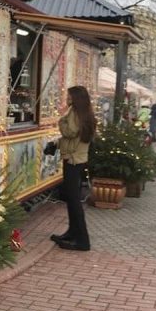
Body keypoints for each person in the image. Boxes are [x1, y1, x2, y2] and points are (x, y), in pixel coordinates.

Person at [51, 85, 96, 251]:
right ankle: (72, 232)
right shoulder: (82, 113)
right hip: (76, 158)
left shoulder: (75, 114)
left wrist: (60, 120)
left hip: (73, 160)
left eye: (69, 95)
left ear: (75, 97)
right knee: (71, 198)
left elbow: (69, 132)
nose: (66, 98)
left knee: (74, 199)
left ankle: (83, 240)